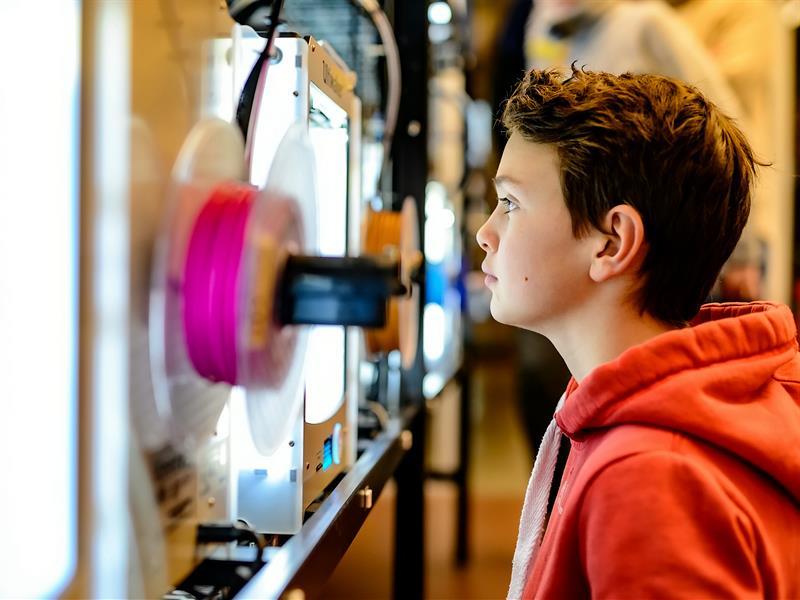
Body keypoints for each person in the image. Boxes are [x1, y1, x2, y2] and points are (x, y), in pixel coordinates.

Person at [476, 66, 800, 598]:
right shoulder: (694, 408)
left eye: (510, 204)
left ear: (612, 242)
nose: (485, 232)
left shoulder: (650, 477)